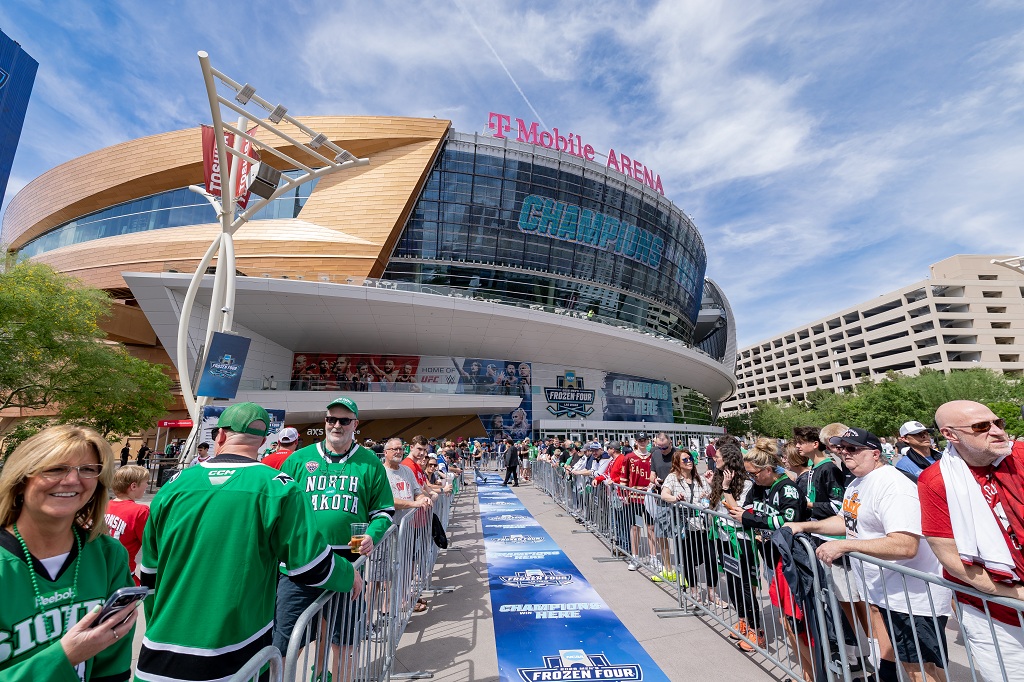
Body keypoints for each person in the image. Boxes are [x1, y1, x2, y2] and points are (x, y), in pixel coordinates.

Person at [138, 403, 360, 682]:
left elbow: (149, 575)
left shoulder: (173, 485)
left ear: (219, 436)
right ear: (264, 441)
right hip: (238, 650)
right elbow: (310, 566)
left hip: (161, 649)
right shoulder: (279, 487)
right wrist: (348, 573)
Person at [789, 427, 952, 682]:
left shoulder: (894, 485)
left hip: (911, 595)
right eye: (841, 448)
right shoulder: (856, 482)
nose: (844, 453)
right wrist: (804, 525)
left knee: (920, 668)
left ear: (876, 453)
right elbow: (847, 522)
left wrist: (846, 546)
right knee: (901, 660)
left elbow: (905, 545)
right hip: (882, 591)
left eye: (852, 448)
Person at [0, 425, 138, 681]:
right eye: (55, 468)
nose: (73, 480)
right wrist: (64, 657)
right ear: (21, 480)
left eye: (87, 469)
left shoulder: (108, 555)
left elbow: (112, 666)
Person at [274, 397, 394, 656]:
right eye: (331, 419)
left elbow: (383, 512)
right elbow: (278, 510)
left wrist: (372, 535)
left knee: (345, 638)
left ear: (355, 425)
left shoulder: (370, 463)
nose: (336, 425)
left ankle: (329, 673)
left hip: (348, 563)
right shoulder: (298, 460)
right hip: (300, 562)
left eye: (344, 420)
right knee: (284, 642)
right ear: (325, 422)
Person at [919, 400, 1024, 681]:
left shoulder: (1022, 455)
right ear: (950, 434)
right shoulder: (936, 480)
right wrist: (1019, 596)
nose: (998, 431)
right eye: (981, 427)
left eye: (998, 422)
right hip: (996, 614)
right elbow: (953, 560)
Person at [728, 437, 808, 652]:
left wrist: (751, 520)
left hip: (790, 559)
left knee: (795, 614)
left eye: (754, 474)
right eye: (748, 475)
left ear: (769, 469)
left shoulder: (787, 489)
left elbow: (787, 521)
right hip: (769, 555)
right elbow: (746, 510)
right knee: (782, 610)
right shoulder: (757, 488)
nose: (751, 479)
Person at [661, 446, 711, 595]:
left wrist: (707, 493)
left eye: (691, 459)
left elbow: (710, 496)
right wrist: (675, 498)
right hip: (683, 525)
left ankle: (711, 592)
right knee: (688, 559)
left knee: (708, 558)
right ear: (678, 462)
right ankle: (694, 591)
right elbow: (664, 494)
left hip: (702, 525)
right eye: (685, 459)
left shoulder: (700, 478)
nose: (689, 461)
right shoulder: (672, 478)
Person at [104, 465, 150, 586]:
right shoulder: (140, 511)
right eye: (146, 482)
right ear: (133, 486)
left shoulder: (104, 506)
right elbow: (150, 545)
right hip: (123, 575)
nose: (147, 486)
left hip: (102, 570)